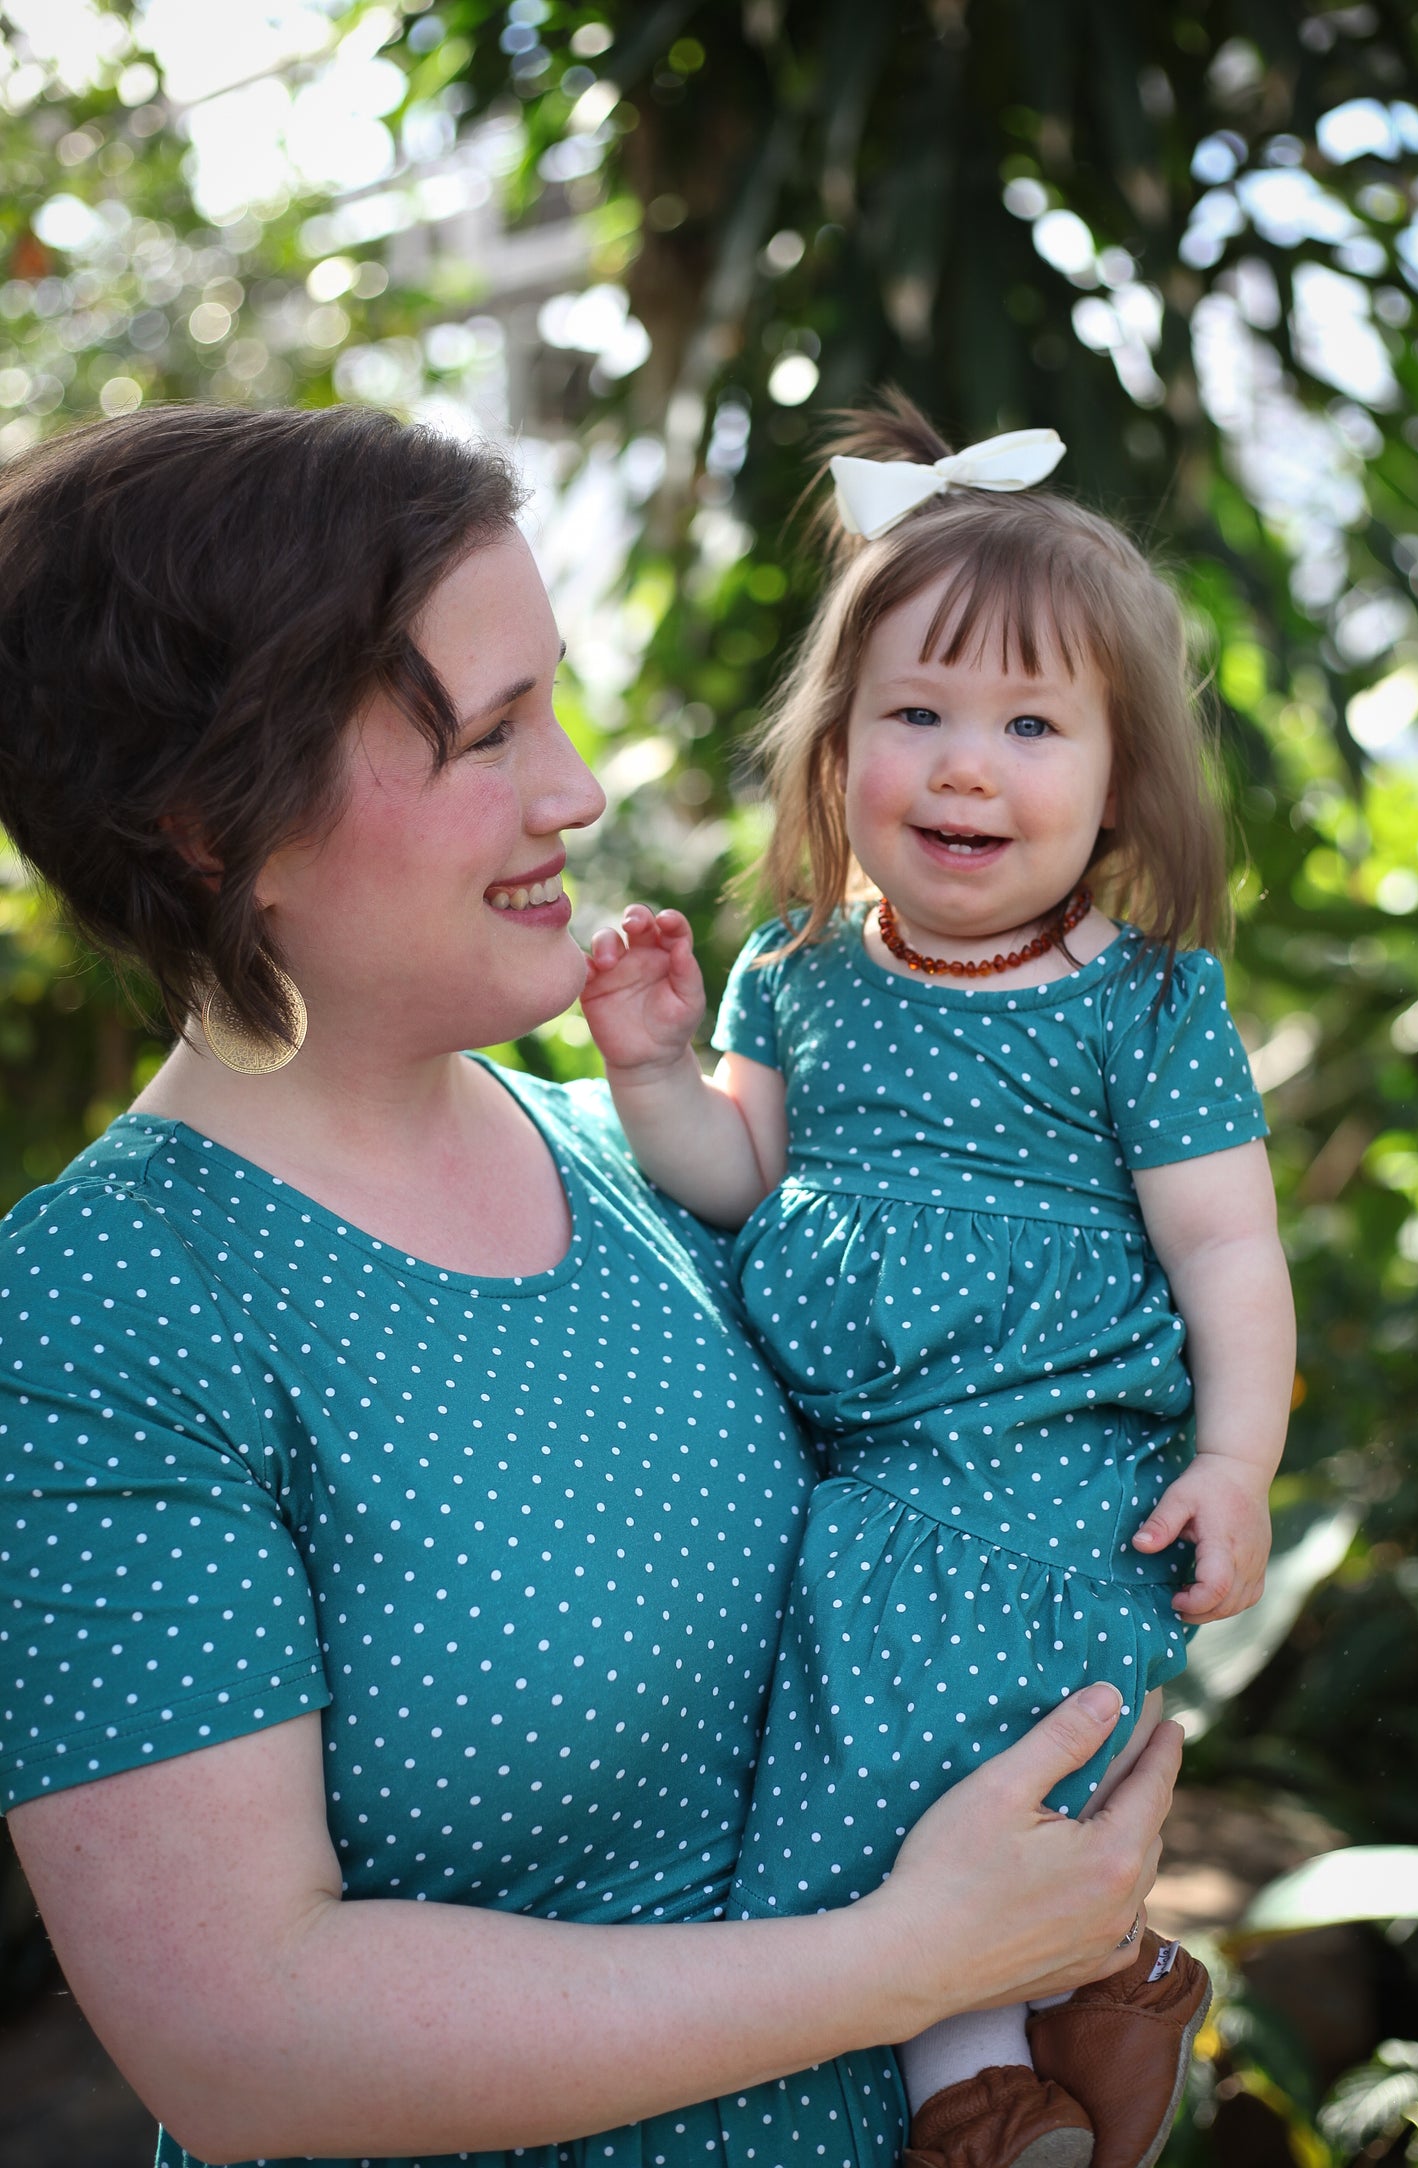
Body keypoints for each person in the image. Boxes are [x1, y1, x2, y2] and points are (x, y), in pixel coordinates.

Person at [0, 403, 1181, 2168]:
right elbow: (240, 2038)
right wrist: (901, 1964)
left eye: (552, 698)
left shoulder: (658, 1160)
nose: (579, 787)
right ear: (203, 823)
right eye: (487, 735)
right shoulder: (102, 1311)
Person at [581, 395, 1295, 2168]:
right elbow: (737, 1182)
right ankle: (1014, 2060)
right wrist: (658, 1072)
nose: (963, 765)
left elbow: (1225, 1246)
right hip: (869, 1496)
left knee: (957, 1743)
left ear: (1119, 776)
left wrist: (1233, 1465)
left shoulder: (1138, 1001)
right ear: (836, 753)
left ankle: (1031, 2037)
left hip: (1059, 1485)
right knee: (852, 1762)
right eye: (914, 715)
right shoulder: (801, 971)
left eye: (1029, 725)